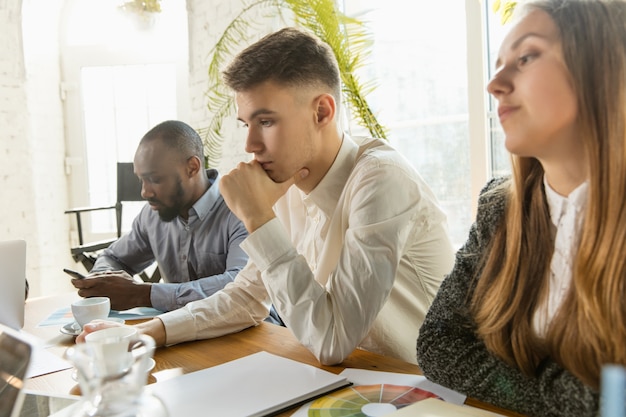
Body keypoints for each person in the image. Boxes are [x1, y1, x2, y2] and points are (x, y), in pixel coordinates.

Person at [78, 27, 455, 365]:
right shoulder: (287, 184)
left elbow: (332, 340)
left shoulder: (380, 179)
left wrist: (258, 217)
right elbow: (246, 297)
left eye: (267, 121)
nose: (251, 144)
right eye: (247, 124)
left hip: (428, 391)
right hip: (351, 383)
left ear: (322, 112)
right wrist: (151, 331)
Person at [416, 1, 626, 416]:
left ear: (599, 70)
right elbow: (437, 343)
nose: (494, 83)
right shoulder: (499, 208)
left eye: (526, 57)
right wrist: (563, 392)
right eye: (497, 64)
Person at [71, 120, 249, 312]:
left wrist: (141, 294)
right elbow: (114, 257)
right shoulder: (152, 215)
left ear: (192, 167)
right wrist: (103, 280)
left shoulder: (242, 209)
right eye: (141, 180)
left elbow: (241, 285)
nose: (144, 192)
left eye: (154, 179)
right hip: (179, 333)